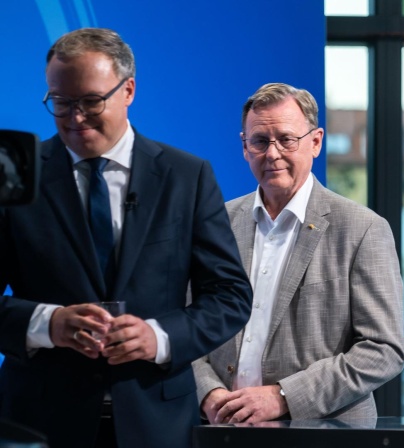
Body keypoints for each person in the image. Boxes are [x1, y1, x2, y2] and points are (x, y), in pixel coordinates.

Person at [0, 28, 252, 448]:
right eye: (60, 103)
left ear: (128, 90)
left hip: (158, 424)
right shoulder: (16, 175)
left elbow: (230, 296)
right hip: (41, 423)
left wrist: (159, 337)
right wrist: (47, 324)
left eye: (91, 101)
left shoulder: (187, 176)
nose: (75, 117)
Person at [192, 83, 404, 424]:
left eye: (286, 139)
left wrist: (284, 396)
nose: (272, 153)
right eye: (260, 141)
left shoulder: (362, 229)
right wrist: (208, 392)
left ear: (316, 141)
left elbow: (383, 351)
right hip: (220, 429)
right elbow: (188, 326)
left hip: (322, 432)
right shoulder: (217, 223)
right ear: (245, 147)